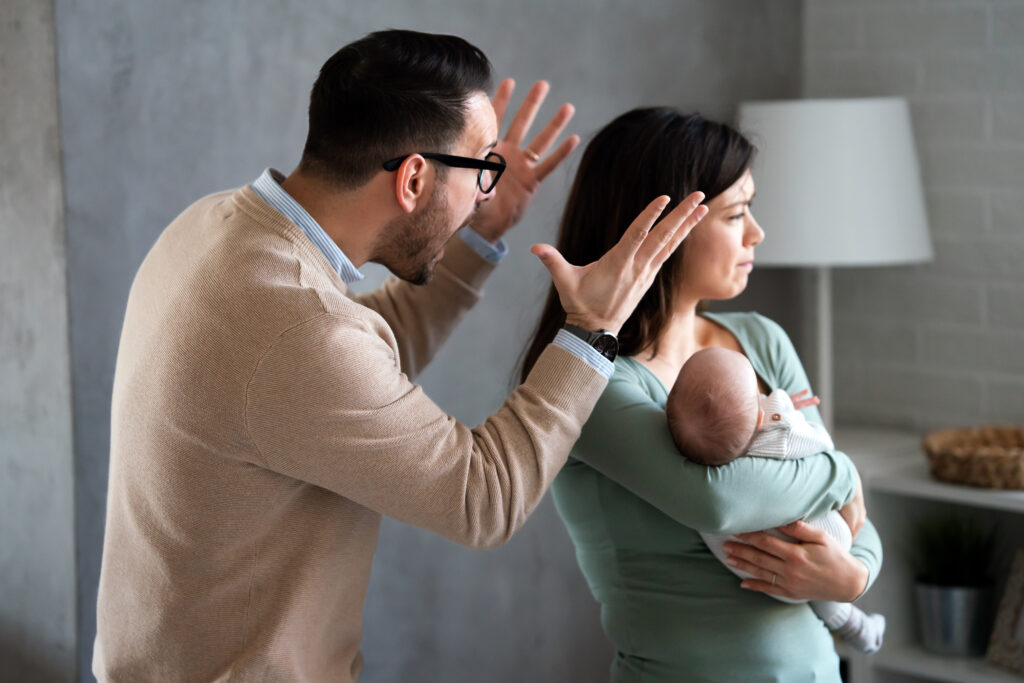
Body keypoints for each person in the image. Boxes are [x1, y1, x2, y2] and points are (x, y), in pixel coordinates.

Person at [93, 32, 709, 681]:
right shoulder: (300, 328)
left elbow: (351, 355)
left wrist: (476, 232)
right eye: (480, 168)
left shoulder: (215, 227)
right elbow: (484, 495)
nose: (482, 192)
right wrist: (591, 330)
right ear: (415, 176)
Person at [521, 107, 883, 682]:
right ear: (664, 226)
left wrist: (853, 577)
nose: (757, 233)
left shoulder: (761, 339)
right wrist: (841, 471)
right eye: (737, 213)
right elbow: (718, 502)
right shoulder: (587, 377)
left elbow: (849, 521)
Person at [667, 347, 886, 654]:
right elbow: (821, 445)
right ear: (760, 416)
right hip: (820, 548)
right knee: (821, 540)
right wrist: (786, 410)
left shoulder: (699, 460)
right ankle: (853, 625)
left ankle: (852, 624)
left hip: (749, 568)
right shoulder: (777, 434)